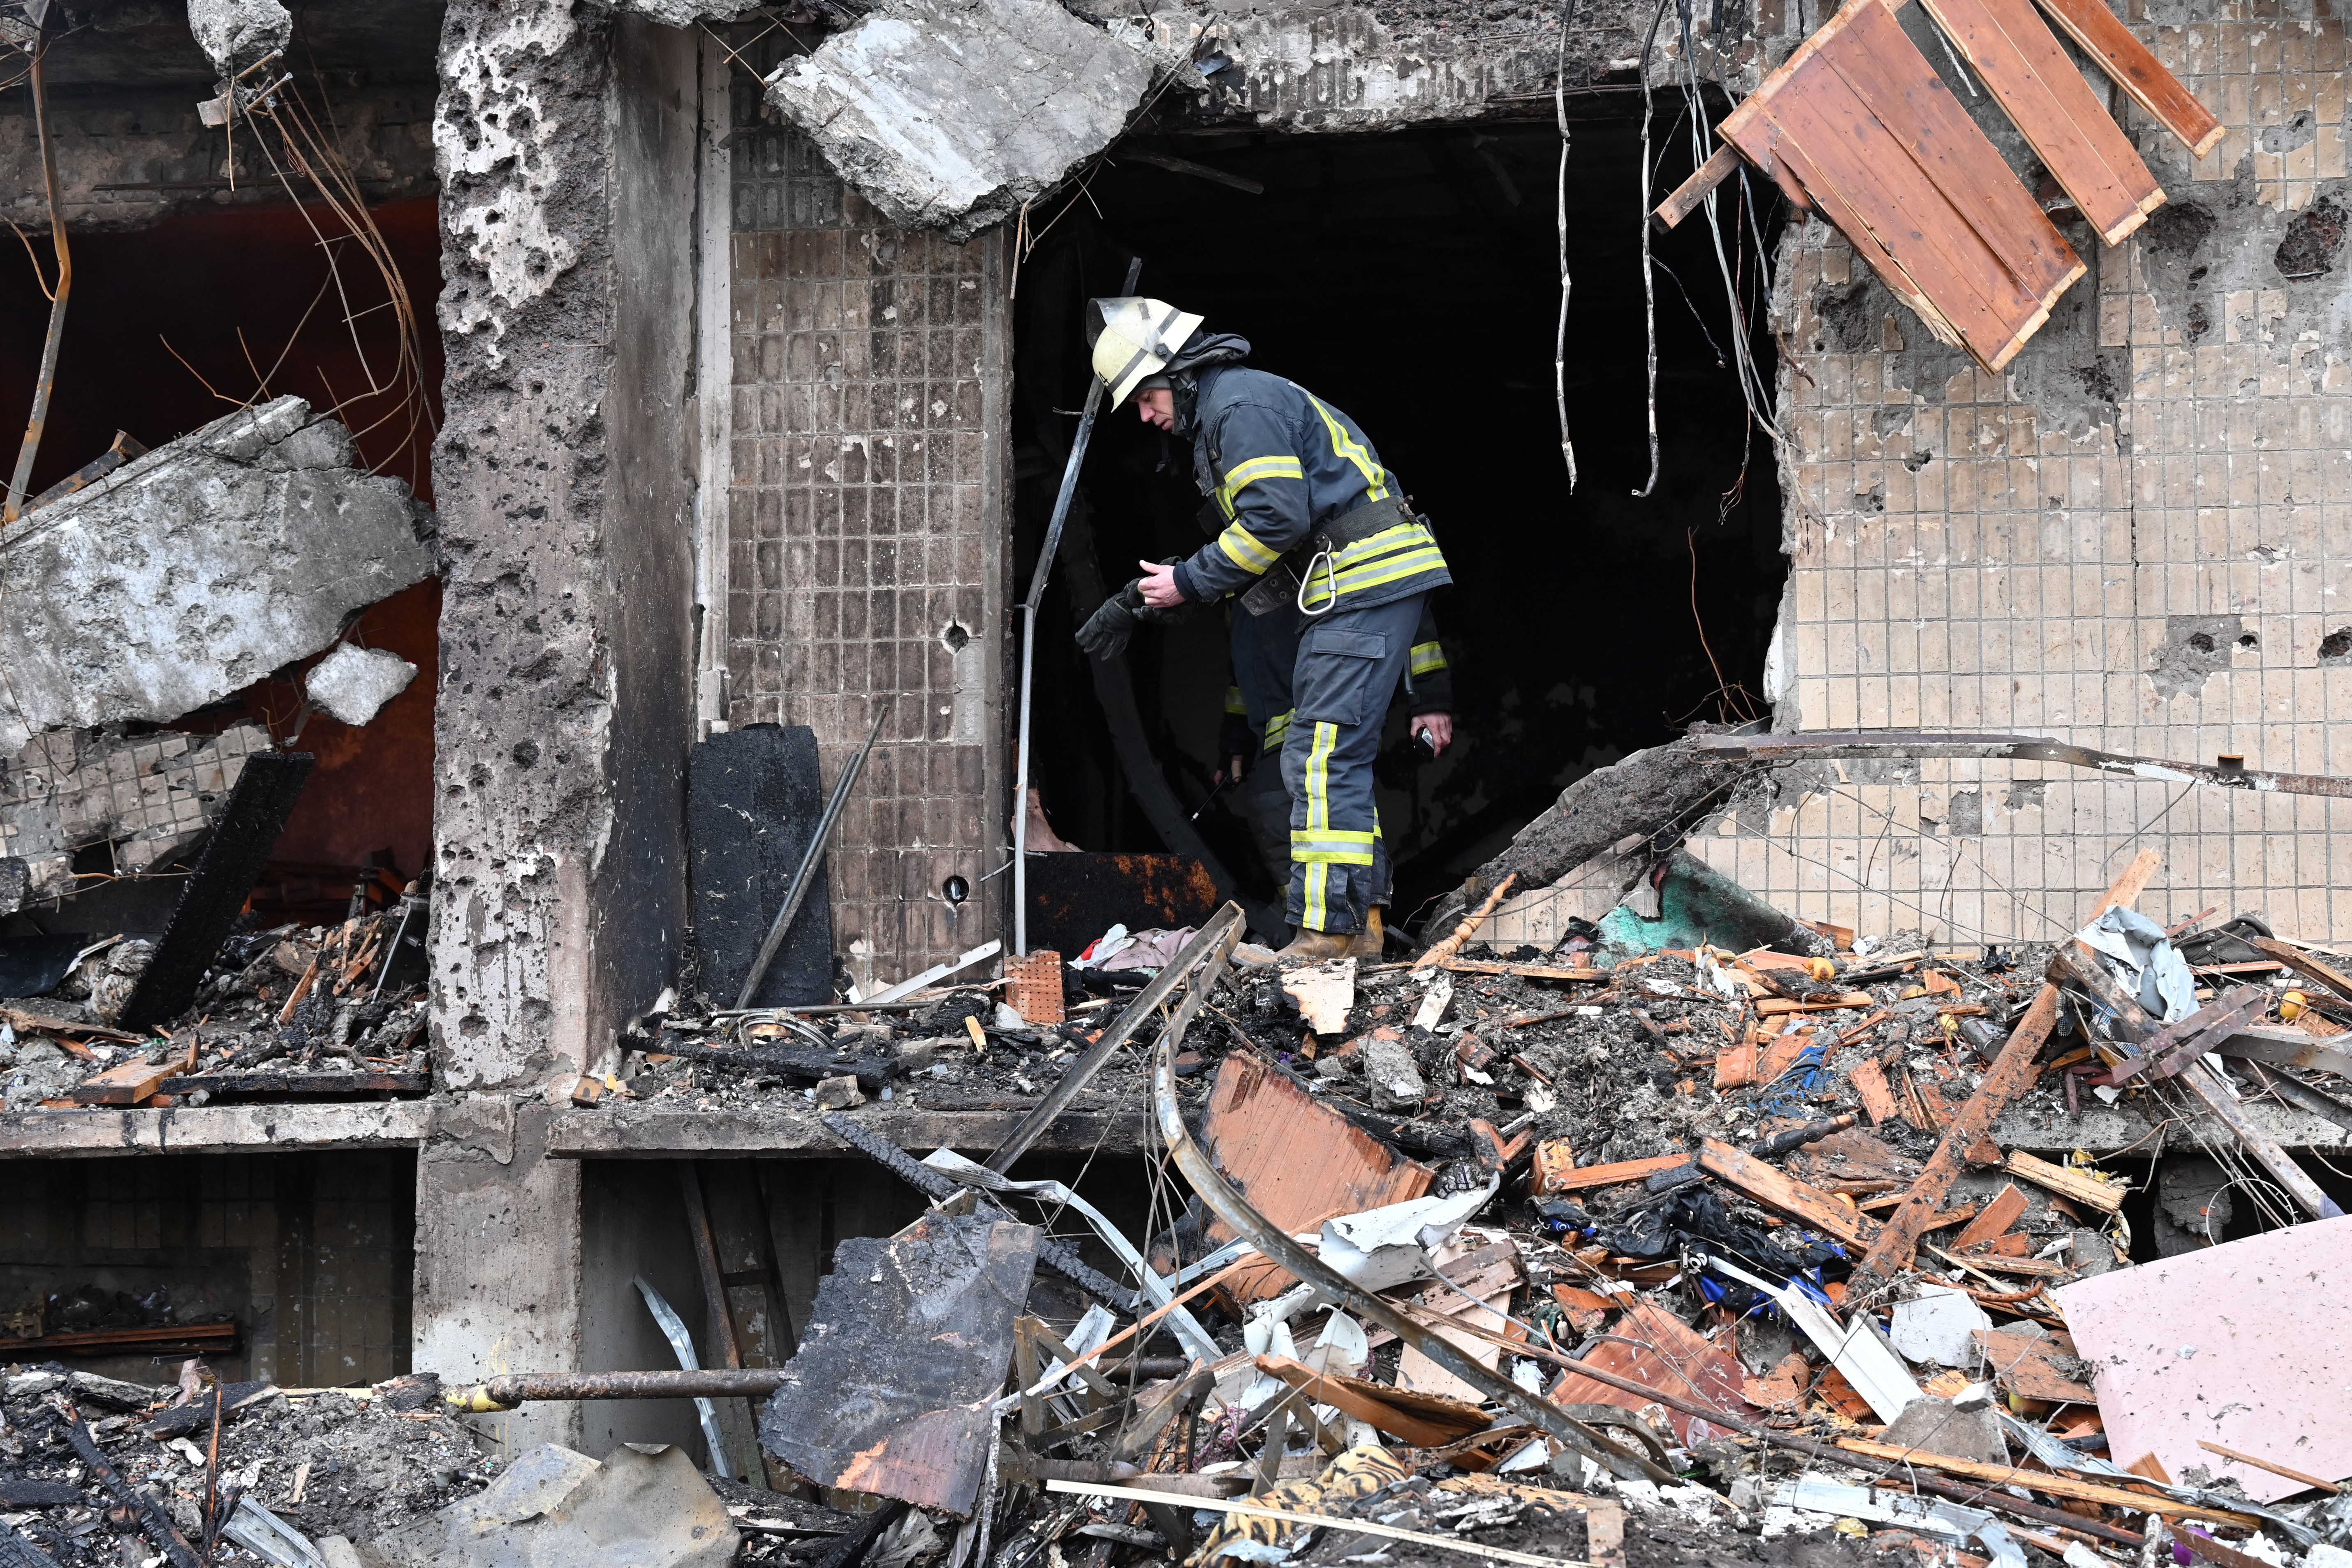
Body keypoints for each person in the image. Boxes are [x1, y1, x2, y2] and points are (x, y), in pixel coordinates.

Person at [1074, 297, 1454, 961]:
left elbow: (1273, 524)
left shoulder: (1237, 409)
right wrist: (1153, 595)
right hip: (1348, 587)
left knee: (1321, 752)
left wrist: (1188, 580)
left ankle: (1331, 935)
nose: (1143, 414)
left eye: (1144, 394)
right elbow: (1268, 556)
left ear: (1179, 370)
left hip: (1358, 583)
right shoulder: (1239, 407)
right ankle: (1356, 927)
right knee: (1328, 754)